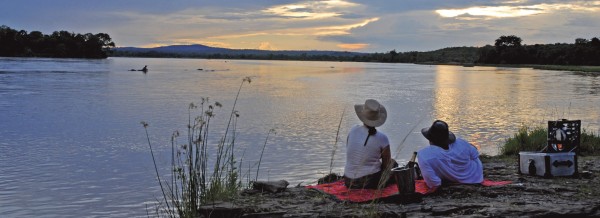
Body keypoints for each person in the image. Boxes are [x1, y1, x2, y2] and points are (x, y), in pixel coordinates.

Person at [417, 120, 483, 193]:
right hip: (477, 176)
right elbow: (475, 154)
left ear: (430, 139)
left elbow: (434, 184)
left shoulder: (424, 155)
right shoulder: (461, 143)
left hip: (459, 181)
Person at [344, 99, 397, 189]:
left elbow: (351, 148)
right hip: (368, 182)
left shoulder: (353, 129)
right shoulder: (382, 138)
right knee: (393, 164)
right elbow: (386, 165)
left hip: (348, 181)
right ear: (378, 118)